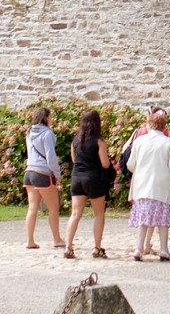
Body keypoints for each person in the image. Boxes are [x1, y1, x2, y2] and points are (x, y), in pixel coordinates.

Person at [127, 110, 170, 261]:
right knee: (163, 221)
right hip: (162, 186)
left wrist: (140, 170)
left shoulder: (139, 141)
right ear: (163, 126)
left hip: (142, 186)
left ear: (149, 125)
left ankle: (138, 249)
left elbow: (130, 164)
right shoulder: (169, 143)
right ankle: (164, 250)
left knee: (143, 219)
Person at [64, 109, 114, 259]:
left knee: (75, 213)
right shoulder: (99, 141)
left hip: (77, 177)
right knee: (99, 214)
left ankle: (68, 246)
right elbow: (105, 163)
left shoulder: (75, 141)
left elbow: (74, 160)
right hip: (93, 179)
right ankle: (97, 247)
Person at [22, 107, 64, 249]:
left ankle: (29, 240)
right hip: (42, 173)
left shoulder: (29, 133)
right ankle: (57, 239)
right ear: (46, 117)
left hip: (29, 172)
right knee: (53, 207)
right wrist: (57, 174)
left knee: (32, 208)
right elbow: (50, 157)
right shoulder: (47, 134)